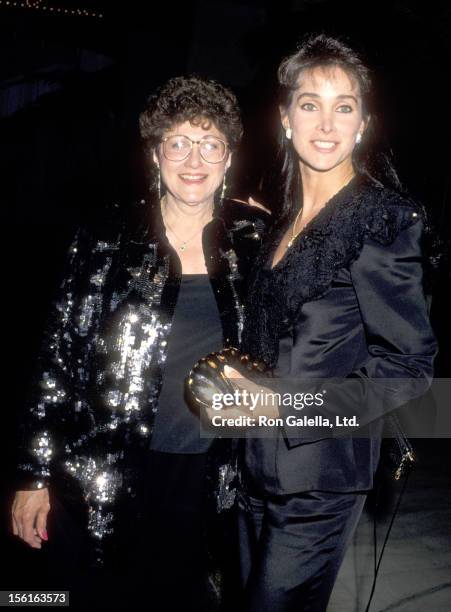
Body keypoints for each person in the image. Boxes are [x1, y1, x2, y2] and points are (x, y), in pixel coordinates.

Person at [11, 75, 269, 611]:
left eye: (210, 143)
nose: (193, 159)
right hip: (104, 474)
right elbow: (55, 359)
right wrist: (33, 473)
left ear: (228, 157)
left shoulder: (254, 242)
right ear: (155, 154)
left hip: (209, 476)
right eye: (177, 141)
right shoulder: (106, 236)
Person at [221, 34, 437, 611]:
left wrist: (290, 407)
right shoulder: (281, 224)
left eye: (344, 106)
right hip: (250, 465)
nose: (326, 122)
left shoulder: (382, 220)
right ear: (285, 119)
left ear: (363, 125)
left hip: (321, 478)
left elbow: (409, 369)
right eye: (309, 103)